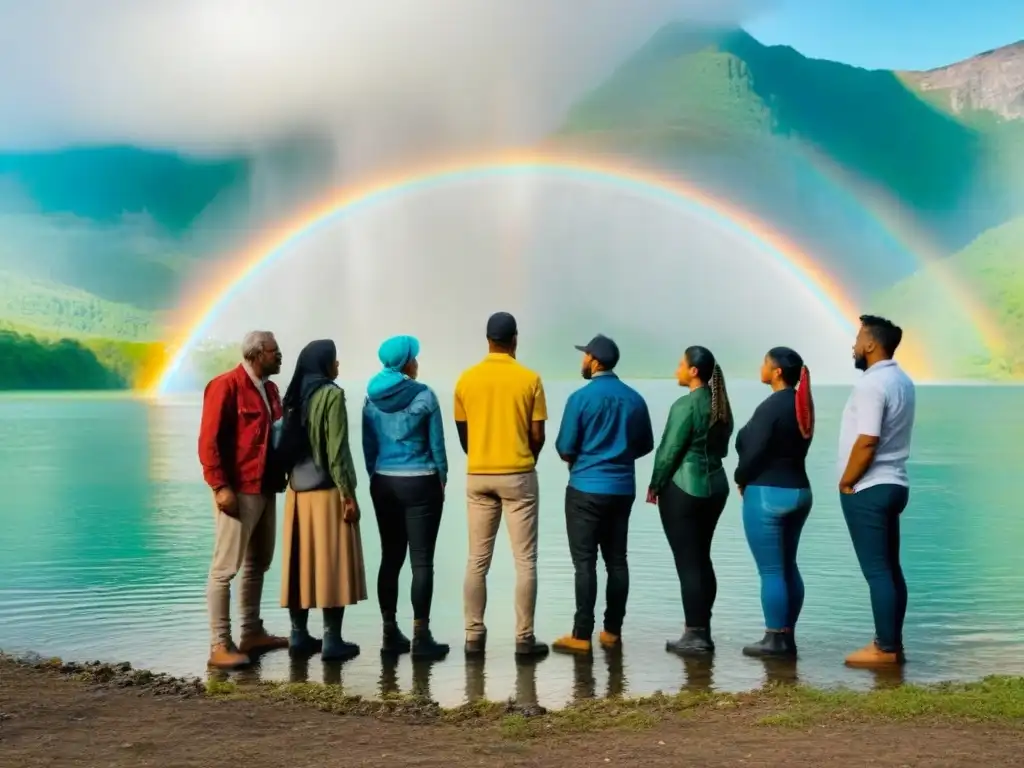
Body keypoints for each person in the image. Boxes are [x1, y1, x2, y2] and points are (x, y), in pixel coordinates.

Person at [454, 311, 549, 659]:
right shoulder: (530, 379)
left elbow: (464, 435)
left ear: (487, 340)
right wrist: (526, 459)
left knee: (477, 560)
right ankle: (524, 638)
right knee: (525, 560)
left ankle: (473, 637)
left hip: (478, 474)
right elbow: (537, 435)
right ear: (515, 340)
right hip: (518, 473)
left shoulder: (466, 380)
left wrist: (482, 456)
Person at [552, 334, 654, 654]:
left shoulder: (579, 399)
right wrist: (619, 455)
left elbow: (565, 446)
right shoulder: (635, 399)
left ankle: (581, 635)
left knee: (585, 564)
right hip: (622, 489)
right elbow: (646, 444)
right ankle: (612, 632)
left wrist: (583, 459)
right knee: (617, 561)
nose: (583, 360)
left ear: (595, 361)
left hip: (585, 488)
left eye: (585, 355)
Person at [199, 330, 289, 670]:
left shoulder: (271, 389)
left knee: (259, 563)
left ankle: (251, 632)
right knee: (224, 569)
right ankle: (219, 644)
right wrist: (219, 487)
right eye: (274, 351)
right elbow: (208, 442)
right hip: (238, 490)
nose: (279, 356)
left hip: (266, 487)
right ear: (256, 353)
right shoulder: (225, 386)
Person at [278, 339, 367, 662]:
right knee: (333, 563)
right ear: (323, 364)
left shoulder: (291, 397)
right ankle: (332, 640)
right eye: (334, 359)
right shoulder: (331, 395)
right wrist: (348, 495)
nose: (338, 365)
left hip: (296, 494)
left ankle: (298, 635)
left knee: (298, 564)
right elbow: (337, 451)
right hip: (327, 493)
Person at [362, 335, 450, 660]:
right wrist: (441, 479)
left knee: (390, 556)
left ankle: (389, 634)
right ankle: (421, 637)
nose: (417, 362)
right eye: (414, 357)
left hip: (383, 482)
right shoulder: (425, 395)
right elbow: (437, 445)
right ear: (406, 362)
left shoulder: (370, 398)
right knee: (421, 560)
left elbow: (369, 446)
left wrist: (376, 477)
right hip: (421, 483)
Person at [838, 315, 916, 667]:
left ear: (871, 344)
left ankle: (885, 649)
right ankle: (892, 642)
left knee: (877, 572)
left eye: (858, 339)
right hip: (895, 483)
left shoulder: (871, 385)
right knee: (890, 569)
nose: (854, 346)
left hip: (869, 486)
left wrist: (847, 481)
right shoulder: (903, 381)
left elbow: (868, 440)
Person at [647, 345, 733, 657]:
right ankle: (702, 627)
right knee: (702, 558)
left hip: (685, 489)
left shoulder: (685, 405)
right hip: (716, 486)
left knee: (688, 562)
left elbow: (669, 450)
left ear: (694, 371)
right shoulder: (721, 405)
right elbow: (722, 450)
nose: (677, 370)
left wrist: (655, 484)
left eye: (681, 365)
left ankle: (695, 635)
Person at [734, 347, 815, 658]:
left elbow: (754, 449)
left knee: (771, 570)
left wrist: (741, 477)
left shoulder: (771, 406)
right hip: (800, 491)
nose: (761, 367)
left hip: (768, 493)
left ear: (777, 371)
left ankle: (775, 638)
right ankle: (787, 634)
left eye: (765, 363)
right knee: (788, 565)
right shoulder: (802, 404)